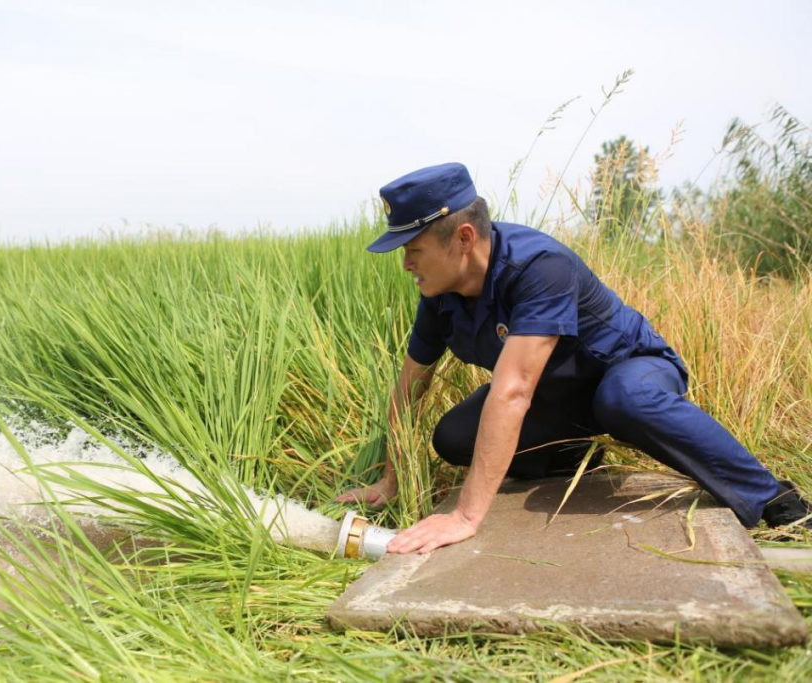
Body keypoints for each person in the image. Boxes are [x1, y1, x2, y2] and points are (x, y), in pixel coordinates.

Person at [335, 162, 812, 555]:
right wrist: (390, 479)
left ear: (463, 238)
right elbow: (411, 384)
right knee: (455, 437)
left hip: (631, 372)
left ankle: (777, 500)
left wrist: (465, 516)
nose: (405, 265)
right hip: (560, 400)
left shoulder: (537, 267)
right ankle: (577, 456)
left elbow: (513, 391)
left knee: (623, 398)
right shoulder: (439, 294)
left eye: (413, 250)